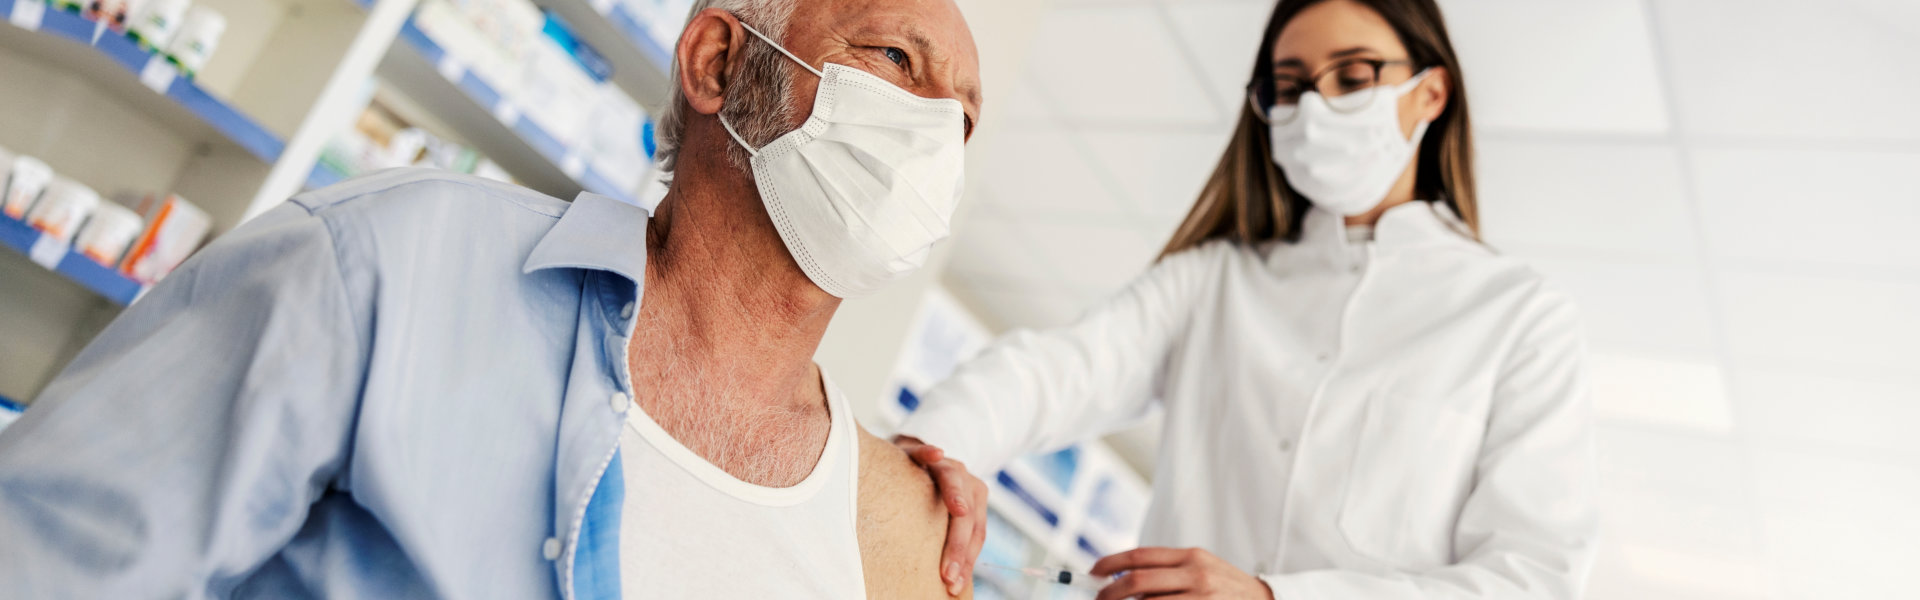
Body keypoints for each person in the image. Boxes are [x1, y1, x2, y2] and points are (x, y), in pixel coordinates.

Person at [0, 0, 989, 597]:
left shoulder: (901, 532)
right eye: (896, 61)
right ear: (719, 62)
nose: (934, 131)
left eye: (965, 118)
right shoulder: (389, 265)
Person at [897, 0, 1598, 598]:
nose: (1316, 109)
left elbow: (1530, 579)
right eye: (1290, 87)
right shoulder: (1215, 280)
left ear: (1430, 93)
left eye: (1352, 76)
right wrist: (930, 459)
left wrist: (1272, 596)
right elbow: (1050, 373)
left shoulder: (1519, 317)